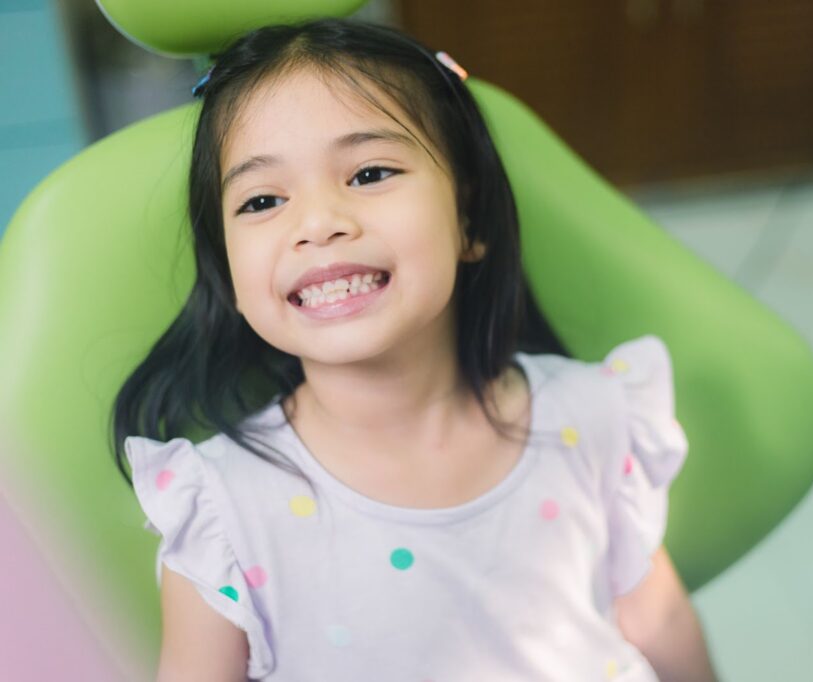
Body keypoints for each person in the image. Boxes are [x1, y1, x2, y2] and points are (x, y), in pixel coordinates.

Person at [112, 18, 717, 682]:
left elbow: (659, 623)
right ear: (228, 275)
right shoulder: (222, 514)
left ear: (469, 220)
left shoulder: (593, 416)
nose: (318, 224)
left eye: (369, 172)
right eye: (262, 200)